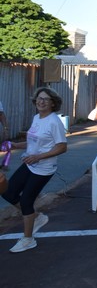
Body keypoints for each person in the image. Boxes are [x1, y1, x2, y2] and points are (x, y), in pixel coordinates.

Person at [1, 87, 67, 253]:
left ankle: (28, 239)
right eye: (39, 98)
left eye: (45, 99)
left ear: (53, 103)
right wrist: (16, 145)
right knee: (7, 192)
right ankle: (36, 217)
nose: (41, 101)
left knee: (26, 201)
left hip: (44, 168)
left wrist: (38, 157)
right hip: (30, 164)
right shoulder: (36, 118)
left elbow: (62, 147)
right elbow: (33, 142)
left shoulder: (54, 121)